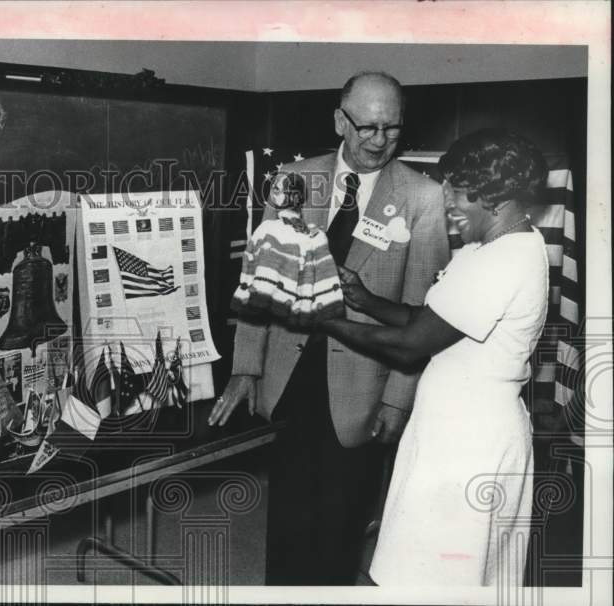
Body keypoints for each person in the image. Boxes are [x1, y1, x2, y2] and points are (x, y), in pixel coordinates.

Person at [208, 71, 450, 585]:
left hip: (365, 381)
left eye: (392, 128)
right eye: (367, 127)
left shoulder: (423, 198)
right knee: (288, 515)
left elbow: (420, 313)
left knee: (340, 522)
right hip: (289, 373)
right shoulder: (294, 180)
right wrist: (246, 367)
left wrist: (397, 401)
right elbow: (261, 279)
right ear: (340, 121)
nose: (380, 140)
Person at [323, 129, 549, 585]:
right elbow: (433, 320)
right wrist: (365, 300)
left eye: (458, 192)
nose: (446, 202)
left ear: (497, 199)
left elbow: (412, 344)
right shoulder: (494, 246)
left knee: (435, 575)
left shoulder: (502, 261)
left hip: (470, 439)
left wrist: (322, 321)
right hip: (454, 428)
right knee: (431, 570)